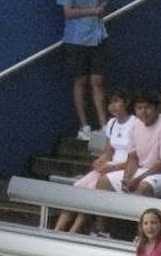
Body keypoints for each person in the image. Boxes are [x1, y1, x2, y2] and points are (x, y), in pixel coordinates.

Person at [54, 88, 135, 233]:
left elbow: (135, 159)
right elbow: (109, 152)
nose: (113, 106)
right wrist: (100, 161)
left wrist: (113, 168)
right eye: (110, 103)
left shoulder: (135, 124)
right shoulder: (111, 123)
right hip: (108, 167)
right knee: (78, 187)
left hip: (124, 169)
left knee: (92, 189)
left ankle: (74, 231)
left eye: (116, 102)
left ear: (126, 102)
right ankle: (57, 230)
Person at [57, 0, 115, 141]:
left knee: (97, 80)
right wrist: (93, 11)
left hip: (97, 36)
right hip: (76, 39)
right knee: (80, 81)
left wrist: (104, 5)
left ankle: (105, 125)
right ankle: (84, 126)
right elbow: (68, 12)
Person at [96, 89, 161, 197]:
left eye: (148, 107)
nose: (143, 112)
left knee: (142, 187)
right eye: (139, 108)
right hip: (144, 171)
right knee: (104, 181)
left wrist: (137, 179)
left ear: (156, 108)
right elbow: (133, 157)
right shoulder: (136, 125)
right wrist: (126, 178)